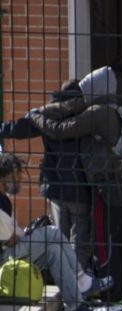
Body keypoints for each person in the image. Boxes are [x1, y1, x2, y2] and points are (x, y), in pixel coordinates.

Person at [25, 66, 122, 280]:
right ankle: (82, 283)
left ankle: (74, 285)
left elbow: (61, 130)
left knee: (77, 238)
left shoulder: (97, 112)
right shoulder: (109, 109)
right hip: (93, 186)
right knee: (85, 237)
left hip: (94, 185)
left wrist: (36, 116)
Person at [0, 154, 111, 311]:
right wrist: (13, 236)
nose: (20, 178)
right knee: (53, 232)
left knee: (54, 251)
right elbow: (8, 236)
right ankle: (82, 279)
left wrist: (16, 235)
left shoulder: (5, 200)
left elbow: (13, 234)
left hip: (14, 249)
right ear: (3, 176)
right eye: (16, 174)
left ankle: (74, 305)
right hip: (5, 257)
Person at [0, 80, 93, 273]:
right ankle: (79, 282)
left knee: (61, 237)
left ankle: (66, 281)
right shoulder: (86, 116)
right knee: (80, 239)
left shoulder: (47, 115)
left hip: (56, 184)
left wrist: (4, 128)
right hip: (80, 187)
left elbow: (17, 129)